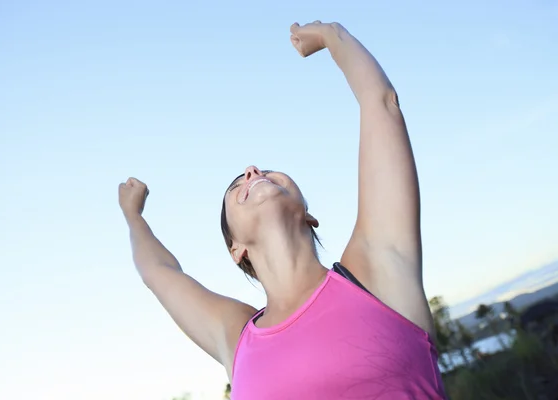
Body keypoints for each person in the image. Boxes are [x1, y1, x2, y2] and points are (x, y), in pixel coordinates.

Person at [119, 21, 447, 400]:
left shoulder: (376, 268)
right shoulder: (236, 336)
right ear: (236, 249)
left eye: (266, 171)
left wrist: (331, 35)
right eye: (236, 185)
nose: (253, 171)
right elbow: (159, 273)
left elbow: (382, 105)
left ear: (309, 215)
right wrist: (133, 216)